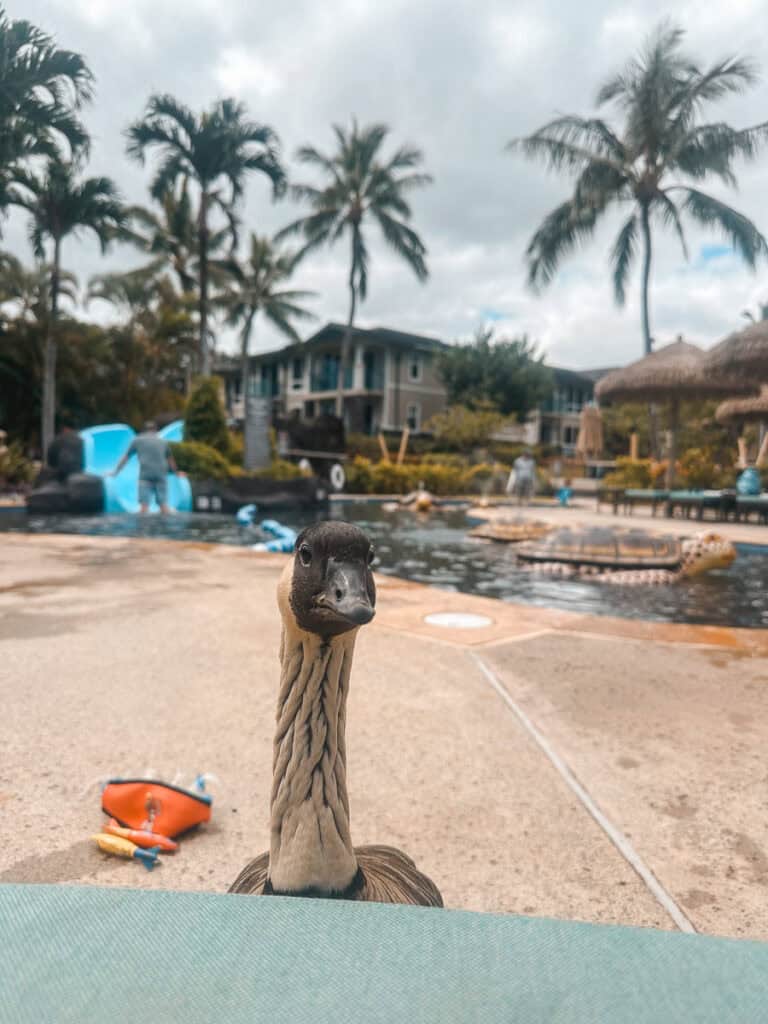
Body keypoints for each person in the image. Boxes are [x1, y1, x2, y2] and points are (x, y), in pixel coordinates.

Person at [112, 421, 183, 514]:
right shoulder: (163, 442)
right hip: (161, 474)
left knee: (144, 507)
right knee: (164, 506)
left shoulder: (137, 440)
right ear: (155, 431)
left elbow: (126, 457)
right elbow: (171, 460)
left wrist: (115, 472)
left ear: (144, 431)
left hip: (145, 474)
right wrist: (177, 473)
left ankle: (143, 527)